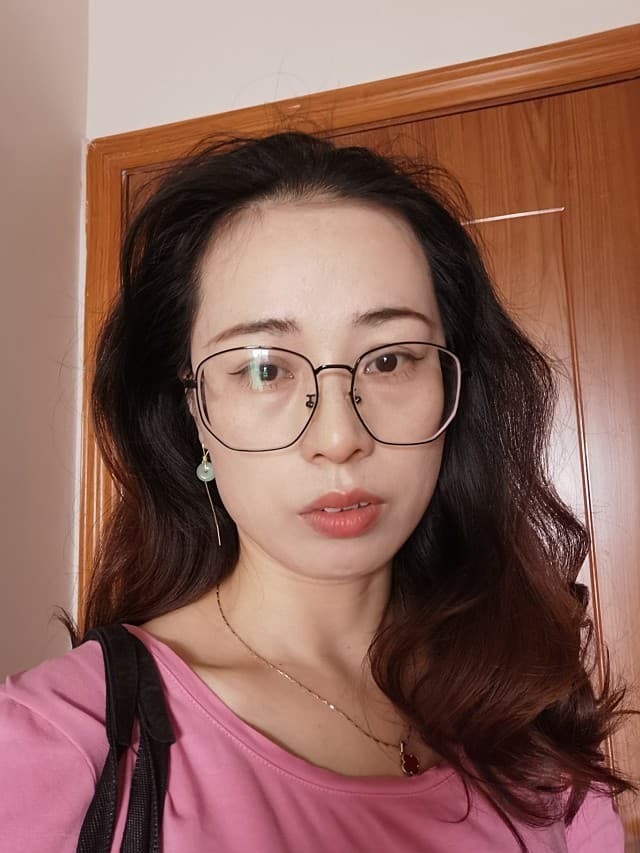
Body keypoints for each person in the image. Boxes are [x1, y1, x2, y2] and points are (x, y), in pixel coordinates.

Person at [0, 130, 635, 852]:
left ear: (454, 386)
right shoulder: (54, 745)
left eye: (390, 359)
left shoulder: (529, 714)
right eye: (265, 369)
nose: (338, 437)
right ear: (192, 411)